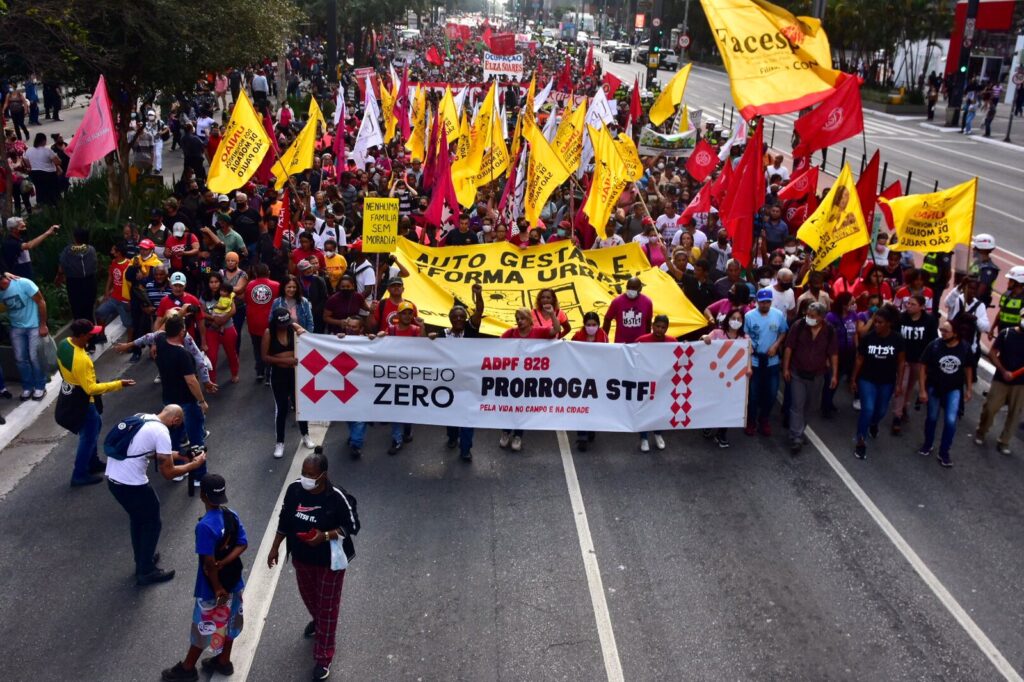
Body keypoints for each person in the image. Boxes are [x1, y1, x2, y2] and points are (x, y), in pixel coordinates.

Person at [268, 453, 360, 682]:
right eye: (304, 473)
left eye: (311, 475)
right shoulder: (294, 490)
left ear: (323, 476)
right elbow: (285, 520)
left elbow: (353, 527)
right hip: (301, 558)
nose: (306, 479)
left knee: (327, 609)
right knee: (311, 598)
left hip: (329, 562)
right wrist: (275, 547)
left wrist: (326, 536)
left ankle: (323, 657)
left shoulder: (338, 497)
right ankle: (319, 621)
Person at [106, 405, 206, 585]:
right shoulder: (161, 432)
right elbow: (168, 473)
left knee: (138, 520)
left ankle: (143, 558)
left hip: (114, 479)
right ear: (175, 421)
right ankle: (146, 571)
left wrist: (178, 455)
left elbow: (145, 450)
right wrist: (194, 465)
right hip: (132, 484)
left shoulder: (142, 416)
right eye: (179, 424)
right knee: (152, 522)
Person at [161, 474, 247, 682]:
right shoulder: (231, 515)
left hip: (213, 589)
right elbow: (242, 544)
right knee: (231, 620)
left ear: (203, 496)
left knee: (205, 625)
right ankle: (223, 661)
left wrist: (217, 588)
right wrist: (226, 562)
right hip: (234, 582)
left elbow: (208, 564)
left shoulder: (205, 526)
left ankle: (187, 668)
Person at [56, 320, 136, 486]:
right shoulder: (81, 360)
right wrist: (119, 384)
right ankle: (79, 474)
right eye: (91, 333)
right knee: (88, 437)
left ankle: (92, 463)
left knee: (94, 428)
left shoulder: (64, 344)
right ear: (83, 335)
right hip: (83, 402)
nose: (95, 335)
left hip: (70, 394)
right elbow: (91, 389)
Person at [428, 284, 484, 461]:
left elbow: (479, 311)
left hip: (469, 382)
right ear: (450, 319)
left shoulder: (470, 329)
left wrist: (478, 295)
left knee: (467, 417)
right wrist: (429, 339)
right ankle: (452, 437)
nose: (459, 319)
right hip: (448, 383)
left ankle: (465, 449)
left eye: (462, 316)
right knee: (451, 414)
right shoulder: (442, 335)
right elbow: (426, 351)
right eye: (455, 316)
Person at [155, 315, 210, 483]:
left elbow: (158, 332)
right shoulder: (183, 354)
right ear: (182, 332)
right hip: (187, 403)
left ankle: (177, 469)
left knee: (173, 438)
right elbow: (191, 381)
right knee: (196, 440)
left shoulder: (160, 340)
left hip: (168, 402)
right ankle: (199, 476)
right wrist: (201, 400)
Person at [782, 302, 838, 455]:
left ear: (821, 317)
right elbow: (789, 347)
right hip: (797, 373)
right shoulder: (798, 326)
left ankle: (799, 430)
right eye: (808, 315)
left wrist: (834, 375)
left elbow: (833, 353)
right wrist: (786, 368)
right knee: (797, 405)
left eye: (813, 316)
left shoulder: (829, 331)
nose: (809, 318)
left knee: (811, 406)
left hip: (817, 375)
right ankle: (796, 437)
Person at [499, 308, 557, 452]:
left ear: (530, 320)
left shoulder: (538, 332)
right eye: (517, 318)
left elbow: (556, 329)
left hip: (530, 378)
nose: (519, 321)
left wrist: (552, 315)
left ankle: (518, 436)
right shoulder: (511, 333)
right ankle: (506, 432)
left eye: (522, 318)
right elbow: (498, 346)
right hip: (512, 377)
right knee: (509, 406)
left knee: (522, 407)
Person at [851, 304, 904, 460]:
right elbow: (860, 359)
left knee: (880, 411)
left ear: (889, 323)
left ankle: (873, 423)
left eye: (880, 322)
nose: (877, 325)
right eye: (876, 322)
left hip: (887, 381)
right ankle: (861, 441)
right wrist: (854, 378)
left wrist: (899, 383)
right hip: (867, 379)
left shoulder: (897, 339)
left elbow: (901, 362)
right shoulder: (868, 338)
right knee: (867, 408)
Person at [917, 320, 972, 467]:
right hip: (934, 388)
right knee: (932, 417)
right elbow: (922, 366)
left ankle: (944, 452)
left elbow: (968, 368)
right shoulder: (934, 345)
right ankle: (928, 444)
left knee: (950, 420)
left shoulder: (965, 348)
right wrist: (922, 389)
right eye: (941, 330)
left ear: (955, 333)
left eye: (946, 331)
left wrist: (969, 389)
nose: (942, 333)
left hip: (954, 389)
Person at [264, 308, 314, 458]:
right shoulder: (269, 333)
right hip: (278, 374)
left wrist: (299, 329)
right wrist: (284, 361)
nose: (285, 326)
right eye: (282, 324)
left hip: (295, 373)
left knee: (300, 405)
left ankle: (305, 434)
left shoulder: (293, 328)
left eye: (288, 323)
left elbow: (311, 340)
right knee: (282, 408)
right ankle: (280, 442)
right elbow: (265, 357)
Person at [975, 317, 1024, 456]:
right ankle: (981, 431)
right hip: (1001, 380)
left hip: (1021, 384)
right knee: (990, 408)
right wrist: (1003, 371)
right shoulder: (1006, 333)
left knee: (1015, 414)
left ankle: (1004, 441)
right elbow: (992, 353)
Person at [701, 309, 749, 448]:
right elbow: (704, 340)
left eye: (739, 319)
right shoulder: (717, 333)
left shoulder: (745, 339)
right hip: (715, 376)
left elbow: (748, 356)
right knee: (713, 401)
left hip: (733, 379)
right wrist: (705, 338)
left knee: (728, 404)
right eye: (733, 318)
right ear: (728, 319)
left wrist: (749, 368)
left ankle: (722, 433)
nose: (736, 321)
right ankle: (709, 423)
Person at [744, 289, 788, 436]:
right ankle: (751, 421)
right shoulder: (749, 316)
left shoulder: (778, 315)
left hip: (772, 361)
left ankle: (764, 419)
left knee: (772, 393)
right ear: (757, 301)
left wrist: (776, 346)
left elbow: (783, 331)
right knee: (753, 394)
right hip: (755, 361)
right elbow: (744, 335)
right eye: (762, 302)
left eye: (768, 302)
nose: (765, 304)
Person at [890, 295, 937, 435]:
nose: (909, 306)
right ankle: (897, 415)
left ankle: (905, 405)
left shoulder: (929, 321)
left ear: (922, 306)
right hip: (903, 359)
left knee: (910, 386)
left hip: (919, 360)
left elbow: (933, 340)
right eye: (908, 303)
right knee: (902, 386)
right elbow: (895, 335)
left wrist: (929, 360)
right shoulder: (901, 318)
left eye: (913, 304)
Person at [0, 272, 49, 400]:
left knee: (34, 357)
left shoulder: (23, 283)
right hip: (16, 327)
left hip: (33, 325)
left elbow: (41, 301)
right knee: (20, 359)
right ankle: (28, 387)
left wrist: (43, 324)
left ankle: (40, 386)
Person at [569, 311, 608, 450]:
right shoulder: (578, 336)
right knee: (581, 404)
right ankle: (582, 436)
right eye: (588, 324)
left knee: (593, 404)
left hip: (597, 376)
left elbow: (605, 354)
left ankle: (591, 428)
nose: (591, 327)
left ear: (598, 325)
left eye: (594, 324)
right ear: (584, 325)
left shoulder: (602, 335)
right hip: (580, 375)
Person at [636, 315, 675, 451]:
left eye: (663, 327)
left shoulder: (672, 341)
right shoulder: (641, 341)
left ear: (667, 328)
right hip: (645, 381)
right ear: (652, 326)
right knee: (645, 408)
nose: (659, 329)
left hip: (663, 383)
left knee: (660, 409)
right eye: (657, 326)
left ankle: (658, 434)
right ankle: (644, 437)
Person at [200, 272, 240, 384]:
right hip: (211, 330)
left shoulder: (226, 293)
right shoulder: (203, 296)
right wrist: (213, 318)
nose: (214, 285)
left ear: (220, 282)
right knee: (211, 357)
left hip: (227, 328)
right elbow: (201, 313)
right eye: (211, 282)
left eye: (216, 282)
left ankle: (235, 373)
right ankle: (211, 381)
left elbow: (233, 310)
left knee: (231, 353)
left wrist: (223, 319)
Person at [56, 228, 99, 322]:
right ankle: (91, 331)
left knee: (77, 309)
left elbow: (61, 268)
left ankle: (80, 331)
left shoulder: (68, 250)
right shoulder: (91, 249)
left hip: (74, 283)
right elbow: (95, 265)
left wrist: (58, 278)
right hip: (90, 282)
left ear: (75, 238)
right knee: (88, 309)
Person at [603, 277, 653, 343]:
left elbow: (648, 322)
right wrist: (604, 339)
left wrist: (647, 340)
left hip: (640, 344)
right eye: (629, 287)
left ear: (640, 288)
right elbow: (607, 319)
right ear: (626, 287)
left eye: (634, 288)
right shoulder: (617, 301)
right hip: (621, 344)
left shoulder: (647, 302)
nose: (631, 290)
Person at [23, 132, 62, 205]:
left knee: (40, 192)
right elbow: (58, 162)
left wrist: (33, 166)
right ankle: (55, 207)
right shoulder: (47, 150)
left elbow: (26, 161)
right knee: (53, 193)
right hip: (49, 175)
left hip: (35, 175)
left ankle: (43, 207)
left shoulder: (29, 150)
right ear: (43, 141)